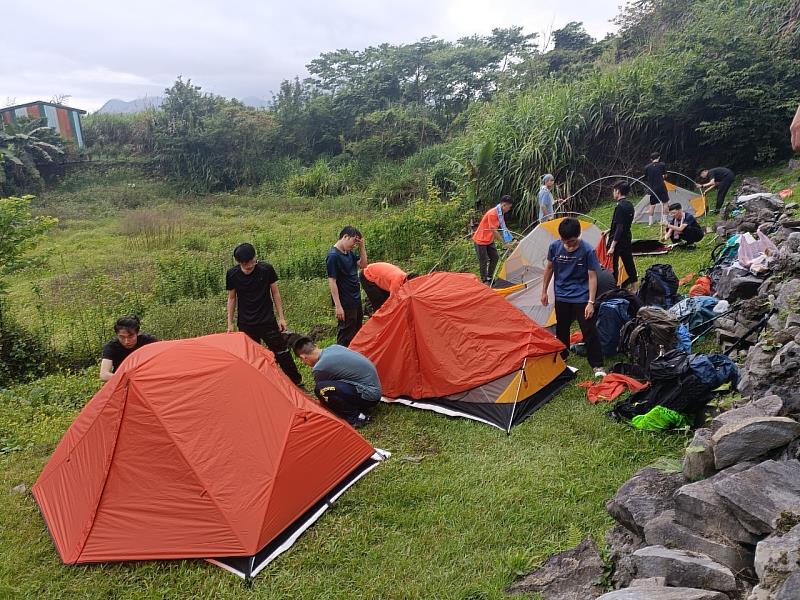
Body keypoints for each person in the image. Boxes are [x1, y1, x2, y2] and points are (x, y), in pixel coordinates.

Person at [226, 242, 303, 385]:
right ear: (239, 262)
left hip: (267, 320)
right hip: (246, 323)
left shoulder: (266, 269)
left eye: (252, 261)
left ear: (255, 257)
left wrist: (281, 318)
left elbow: (275, 293)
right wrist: (230, 323)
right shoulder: (232, 274)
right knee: (253, 356)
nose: (250, 265)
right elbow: (231, 298)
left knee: (282, 352)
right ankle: (262, 384)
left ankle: (296, 382)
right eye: (246, 263)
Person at [540, 218, 606, 378]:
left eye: (572, 241)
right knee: (562, 328)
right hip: (562, 295)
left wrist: (590, 302)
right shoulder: (555, 247)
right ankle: (562, 358)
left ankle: (597, 365)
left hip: (581, 296)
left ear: (578, 235)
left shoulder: (587, 250)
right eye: (565, 241)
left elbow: (592, 277)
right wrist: (544, 291)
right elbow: (549, 268)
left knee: (589, 330)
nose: (569, 245)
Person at [293, 336, 382, 429]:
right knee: (327, 388)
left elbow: (324, 396)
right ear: (316, 346)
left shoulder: (320, 367)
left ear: (303, 357)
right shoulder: (334, 347)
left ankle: (357, 417)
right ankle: (357, 409)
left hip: (369, 396)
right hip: (374, 390)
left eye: (302, 360)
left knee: (321, 389)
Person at [327, 226, 368, 347]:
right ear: (345, 237)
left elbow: (363, 265)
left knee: (356, 332)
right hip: (345, 302)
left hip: (355, 299)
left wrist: (361, 246)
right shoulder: (333, 256)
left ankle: (353, 357)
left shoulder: (348, 253)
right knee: (345, 335)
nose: (353, 245)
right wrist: (338, 306)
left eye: (356, 243)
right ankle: (340, 360)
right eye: (353, 242)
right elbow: (332, 282)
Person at [472, 195, 515, 284]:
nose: (509, 209)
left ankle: (490, 277)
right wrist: (504, 243)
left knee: (495, 257)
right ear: (504, 205)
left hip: (489, 239)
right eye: (509, 207)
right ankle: (485, 281)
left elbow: (503, 227)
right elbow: (494, 230)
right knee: (483, 261)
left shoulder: (500, 213)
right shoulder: (493, 213)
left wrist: (513, 238)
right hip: (481, 240)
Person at [100, 315, 157, 381]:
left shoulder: (149, 341)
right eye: (122, 337)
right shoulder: (112, 346)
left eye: (130, 336)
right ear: (117, 335)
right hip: (122, 381)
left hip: (147, 378)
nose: (126, 341)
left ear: (138, 333)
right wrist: (130, 380)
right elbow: (104, 375)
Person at [607, 180, 637, 289]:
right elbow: (623, 223)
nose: (613, 193)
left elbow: (619, 227)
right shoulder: (629, 205)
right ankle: (635, 288)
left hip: (618, 241)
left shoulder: (619, 207)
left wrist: (612, 246)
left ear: (618, 191)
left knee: (613, 266)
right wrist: (608, 231)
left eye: (614, 191)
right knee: (629, 262)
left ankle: (614, 289)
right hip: (627, 238)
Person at [643, 152, 670, 226]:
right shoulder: (662, 165)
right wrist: (661, 177)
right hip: (661, 187)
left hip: (652, 188)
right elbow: (665, 175)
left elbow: (645, 178)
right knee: (665, 203)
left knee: (652, 205)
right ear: (659, 157)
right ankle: (664, 220)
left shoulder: (647, 167)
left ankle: (650, 222)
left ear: (651, 159)